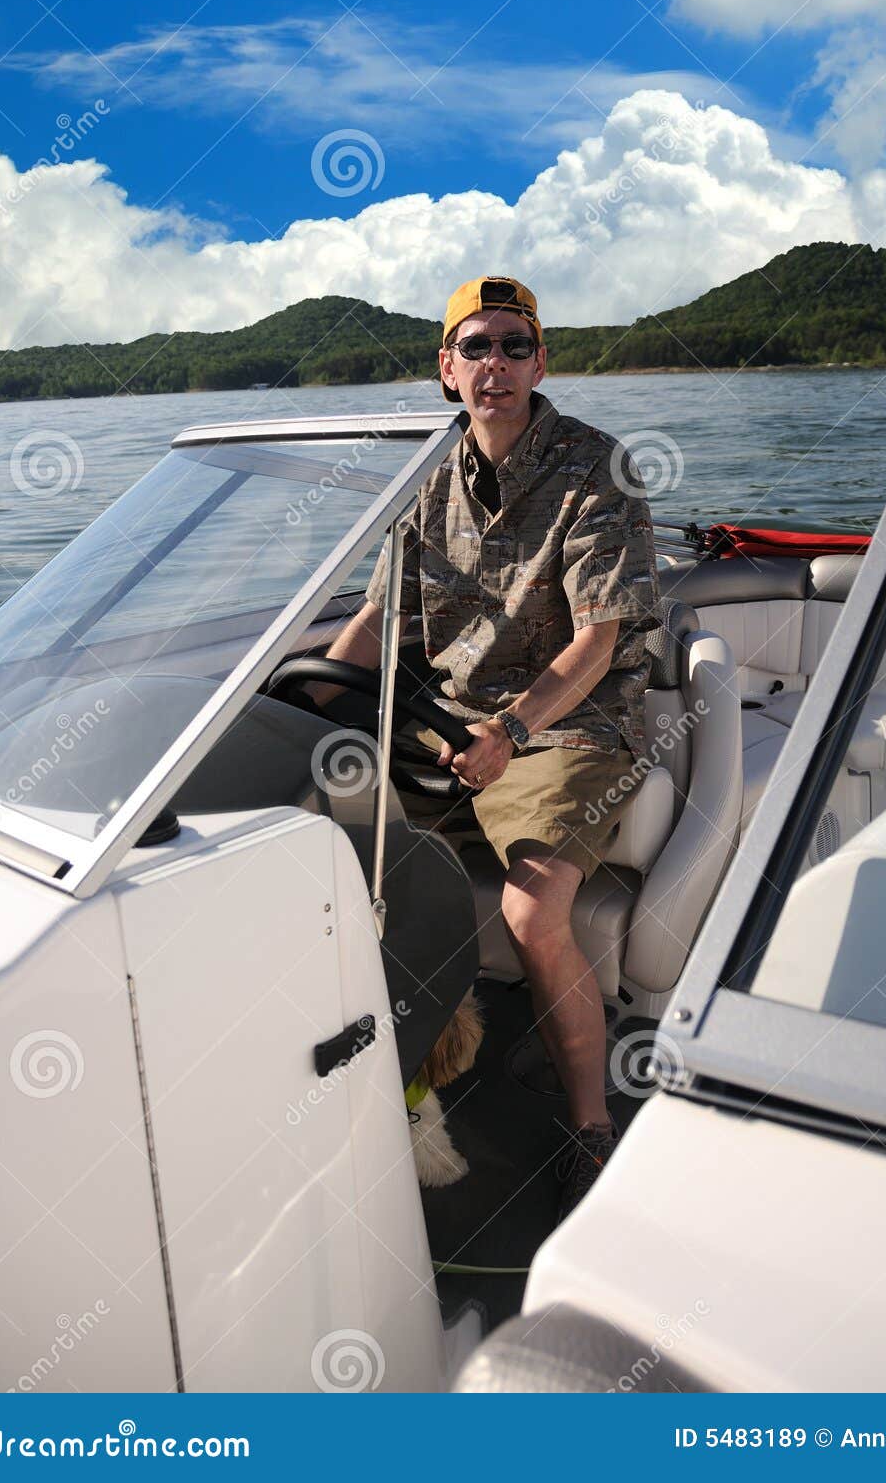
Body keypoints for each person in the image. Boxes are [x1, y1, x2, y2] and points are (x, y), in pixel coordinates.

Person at [315, 275, 659, 1220]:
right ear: (445, 369)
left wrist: (510, 732)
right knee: (309, 854)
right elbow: (380, 618)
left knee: (532, 906)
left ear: (540, 362)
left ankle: (591, 1127)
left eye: (514, 345)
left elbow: (597, 639)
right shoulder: (421, 478)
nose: (494, 364)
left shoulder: (600, 467)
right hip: (450, 718)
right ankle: (385, 1074)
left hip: (568, 724)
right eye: (476, 347)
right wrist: (314, 710)